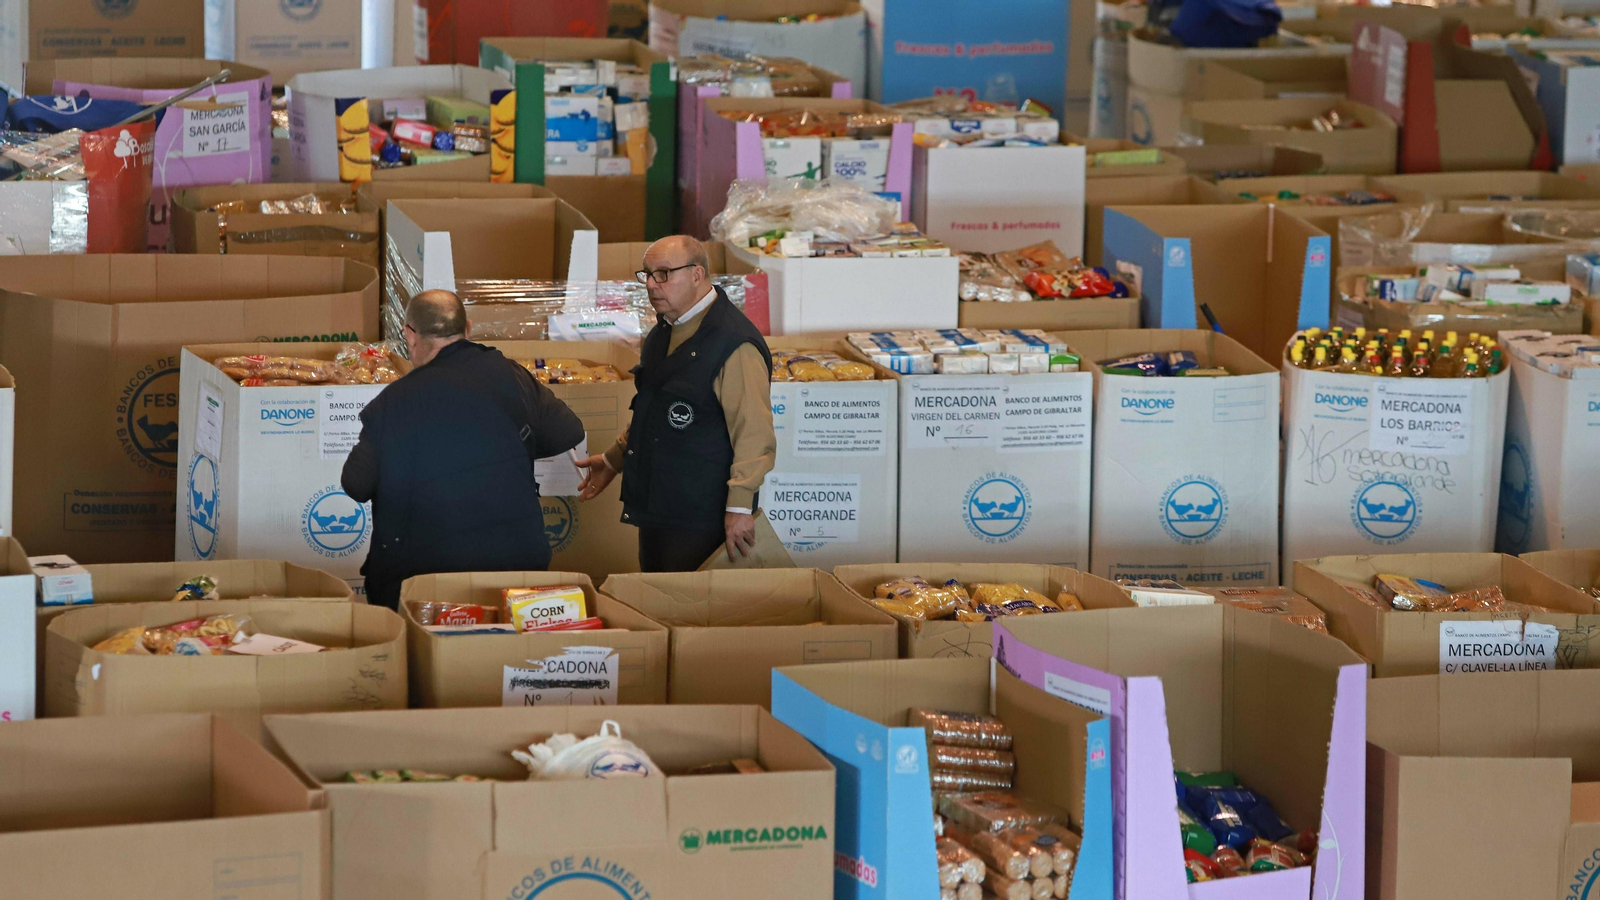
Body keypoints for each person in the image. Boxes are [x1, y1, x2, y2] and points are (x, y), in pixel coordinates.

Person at [341, 290, 586, 609]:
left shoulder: (394, 402)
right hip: (517, 564)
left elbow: (356, 484)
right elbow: (568, 431)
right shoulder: (512, 376)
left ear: (410, 336)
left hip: (423, 576)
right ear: (467, 329)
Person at [575, 236, 775, 572]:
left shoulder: (734, 344)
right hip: (657, 508)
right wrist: (612, 460)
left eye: (664, 273)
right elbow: (651, 410)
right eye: (647, 275)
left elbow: (754, 434)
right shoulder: (662, 333)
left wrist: (739, 508)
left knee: (692, 611)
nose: (652, 285)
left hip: (702, 519)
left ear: (697, 274)